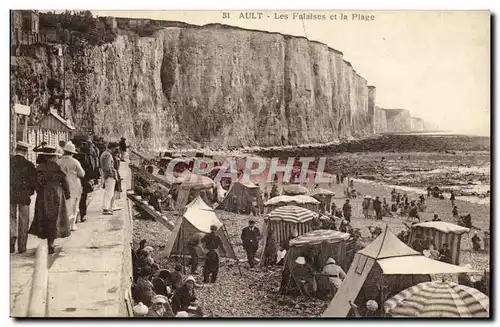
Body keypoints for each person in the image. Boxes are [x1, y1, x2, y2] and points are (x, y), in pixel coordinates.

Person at [28, 146, 71, 255]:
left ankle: (47, 239)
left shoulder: (40, 168)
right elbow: (64, 181)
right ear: (53, 157)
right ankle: (51, 242)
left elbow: (36, 182)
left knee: (44, 216)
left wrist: (39, 190)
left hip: (43, 194)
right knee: (55, 217)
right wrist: (67, 194)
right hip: (57, 193)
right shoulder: (58, 167)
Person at [10, 141, 37, 253]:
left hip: (9, 194)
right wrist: (29, 192)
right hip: (24, 196)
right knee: (24, 219)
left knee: (10, 218)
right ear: (25, 152)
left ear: (16, 150)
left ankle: (10, 243)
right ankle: (22, 246)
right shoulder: (29, 165)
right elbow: (33, 182)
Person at [58, 142, 85, 231]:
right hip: (74, 185)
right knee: (74, 206)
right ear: (72, 153)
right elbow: (82, 174)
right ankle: (71, 225)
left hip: (62, 186)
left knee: (64, 205)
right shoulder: (75, 162)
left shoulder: (59, 161)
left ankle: (63, 225)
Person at [74, 139, 95, 222]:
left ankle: (74, 217)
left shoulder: (74, 156)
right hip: (83, 179)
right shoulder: (84, 156)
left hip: (74, 179)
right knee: (83, 198)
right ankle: (82, 215)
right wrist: (89, 178)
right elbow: (88, 168)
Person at [100, 142, 120, 215]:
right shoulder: (107, 155)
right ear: (113, 148)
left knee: (109, 192)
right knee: (109, 193)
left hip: (108, 175)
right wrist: (113, 175)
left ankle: (107, 207)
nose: (116, 150)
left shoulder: (106, 154)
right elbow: (108, 168)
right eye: (116, 148)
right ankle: (105, 208)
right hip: (109, 176)